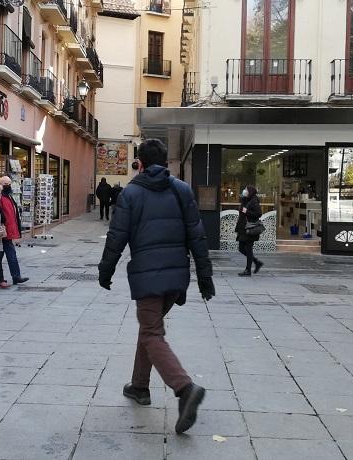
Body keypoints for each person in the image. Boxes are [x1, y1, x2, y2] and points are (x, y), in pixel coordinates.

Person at [98, 139, 215, 434]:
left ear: (140, 162)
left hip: (149, 276)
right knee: (149, 330)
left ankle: (184, 388)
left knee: (151, 333)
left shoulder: (131, 193)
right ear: (166, 162)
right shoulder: (182, 190)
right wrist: (204, 276)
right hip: (176, 277)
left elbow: (116, 237)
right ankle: (139, 387)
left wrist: (105, 270)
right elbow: (197, 236)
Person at [0, 176, 29, 285]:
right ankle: (13, 277)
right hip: (3, 232)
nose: (8, 186)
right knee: (6, 255)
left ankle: (1, 278)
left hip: (8, 231)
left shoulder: (9, 197)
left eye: (9, 184)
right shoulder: (1, 197)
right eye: (6, 184)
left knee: (2, 256)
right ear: (1, 184)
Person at [235, 185, 264, 277]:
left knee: (248, 249)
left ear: (250, 191)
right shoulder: (246, 200)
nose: (244, 191)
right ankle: (256, 262)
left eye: (246, 190)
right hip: (243, 228)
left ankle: (248, 270)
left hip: (249, 228)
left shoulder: (254, 201)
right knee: (241, 248)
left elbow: (258, 213)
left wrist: (246, 211)